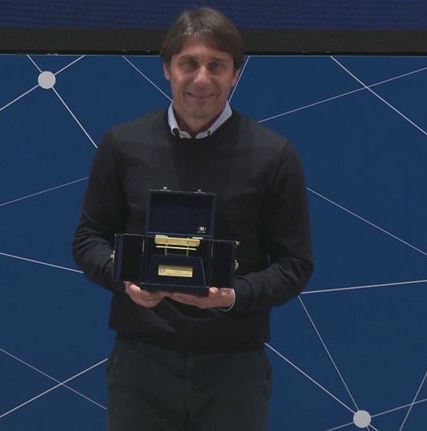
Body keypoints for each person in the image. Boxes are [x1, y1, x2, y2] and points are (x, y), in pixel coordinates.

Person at [72, 7, 313, 431]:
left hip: (234, 368)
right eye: (189, 63)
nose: (202, 79)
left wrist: (233, 295)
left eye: (216, 65)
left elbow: (295, 265)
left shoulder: (274, 155)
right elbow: (88, 239)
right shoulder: (122, 145)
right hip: (141, 363)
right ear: (167, 68)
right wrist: (124, 279)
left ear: (236, 74)